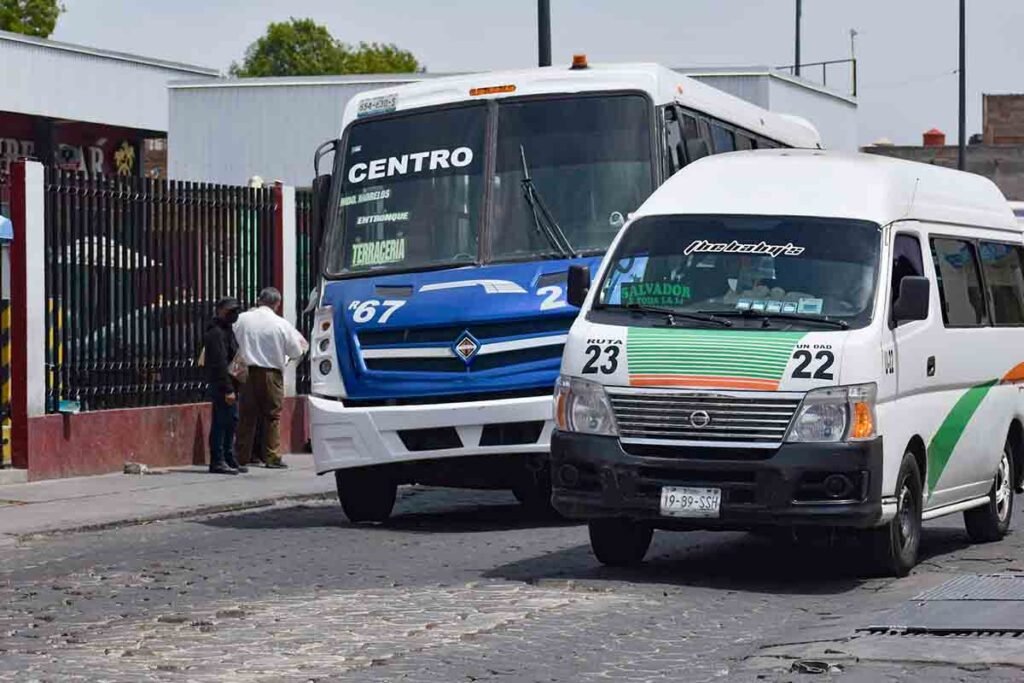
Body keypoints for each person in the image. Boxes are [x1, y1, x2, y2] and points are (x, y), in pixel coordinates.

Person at [233, 287, 308, 469]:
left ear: (259, 300)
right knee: (272, 416)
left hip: (246, 371)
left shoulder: (242, 319)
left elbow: (232, 338)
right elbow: (296, 351)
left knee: (246, 415)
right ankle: (272, 456)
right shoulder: (281, 324)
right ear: (277, 304)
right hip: (271, 373)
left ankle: (241, 455)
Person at [204, 297, 245, 475]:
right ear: (220, 310)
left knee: (231, 421)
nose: (234, 314)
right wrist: (228, 389)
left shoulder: (227, 330)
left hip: (232, 384)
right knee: (221, 423)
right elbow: (219, 363)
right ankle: (217, 461)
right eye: (231, 310)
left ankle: (229, 457)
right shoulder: (215, 333)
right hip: (223, 386)